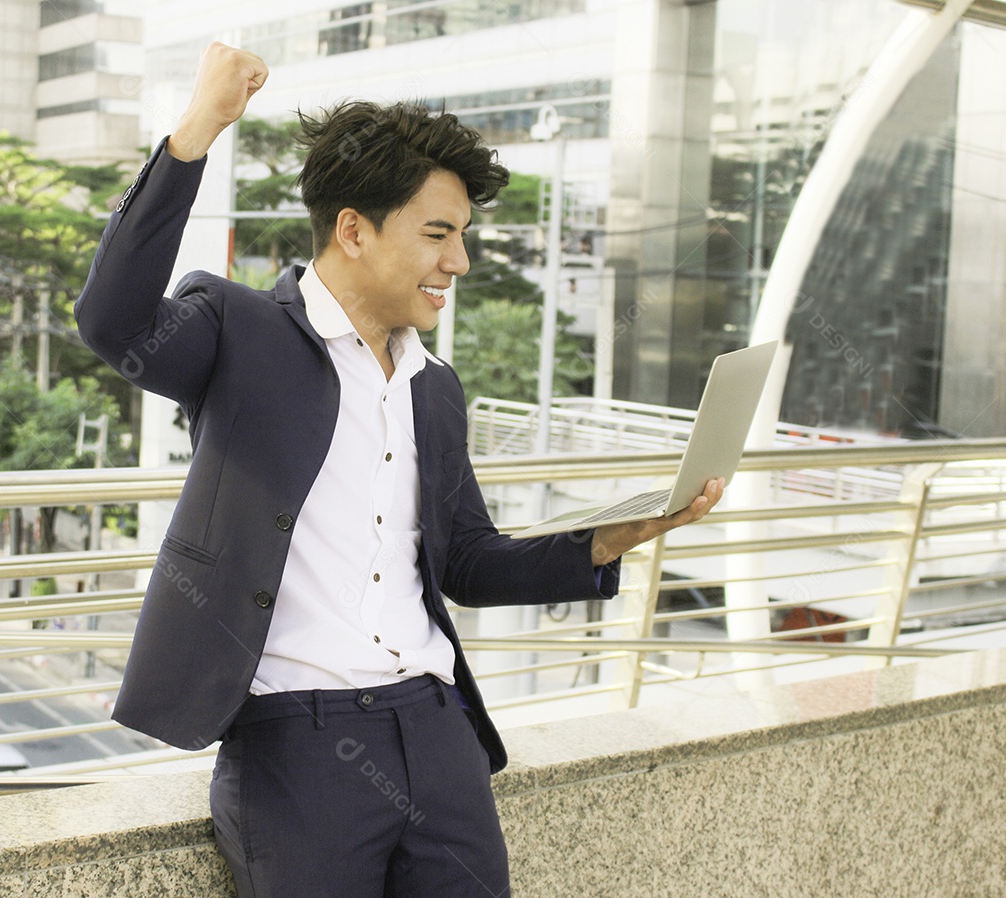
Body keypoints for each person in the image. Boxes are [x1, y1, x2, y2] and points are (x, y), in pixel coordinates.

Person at [75, 43, 724, 898]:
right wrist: (199, 130)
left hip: (438, 728)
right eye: (437, 234)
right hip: (295, 743)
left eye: (462, 237)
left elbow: (467, 564)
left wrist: (616, 536)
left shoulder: (434, 387)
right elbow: (112, 321)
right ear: (354, 228)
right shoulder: (239, 330)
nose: (457, 262)